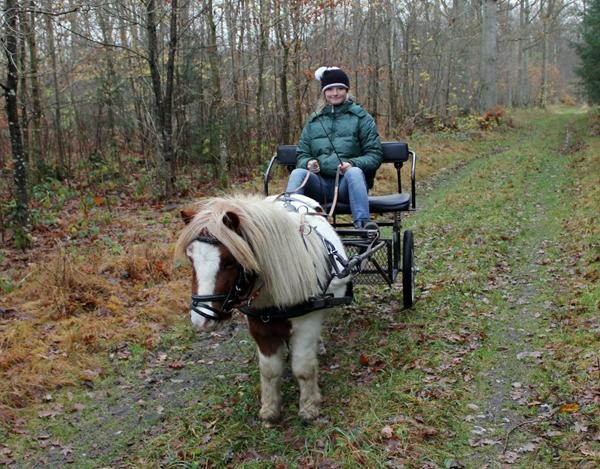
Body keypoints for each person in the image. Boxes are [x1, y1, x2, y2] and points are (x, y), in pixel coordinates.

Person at [285, 66, 383, 229]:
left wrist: (352, 164)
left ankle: (363, 226)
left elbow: (374, 155)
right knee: (298, 172)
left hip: (347, 185)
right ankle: (290, 224)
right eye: (330, 89)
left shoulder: (361, 118)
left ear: (347, 91)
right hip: (318, 186)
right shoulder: (314, 121)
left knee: (355, 172)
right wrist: (308, 163)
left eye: (340, 89)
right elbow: (302, 154)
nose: (335, 93)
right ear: (324, 92)